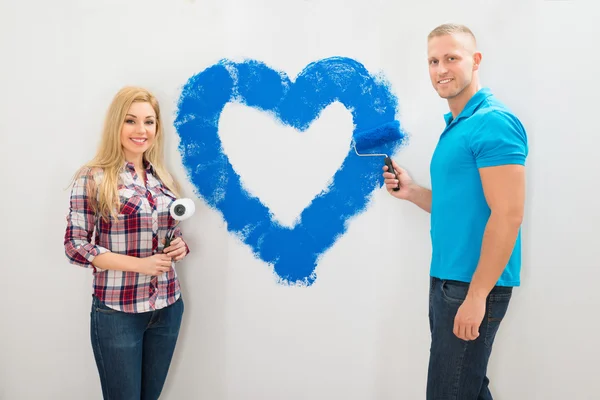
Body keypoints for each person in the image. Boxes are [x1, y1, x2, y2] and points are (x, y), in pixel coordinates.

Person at [383, 24, 528, 399]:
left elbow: (509, 214)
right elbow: (459, 208)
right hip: (448, 280)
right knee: (468, 390)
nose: (441, 69)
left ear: (475, 60)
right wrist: (412, 192)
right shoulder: (456, 126)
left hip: (472, 285)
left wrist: (477, 295)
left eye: (451, 58)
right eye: (433, 61)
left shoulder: (492, 122)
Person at [64, 86, 191, 399]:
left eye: (149, 122)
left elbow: (165, 232)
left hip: (167, 307)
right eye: (131, 120)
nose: (141, 130)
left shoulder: (163, 178)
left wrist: (179, 246)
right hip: (118, 312)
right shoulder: (93, 177)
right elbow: (76, 245)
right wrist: (140, 265)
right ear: (116, 125)